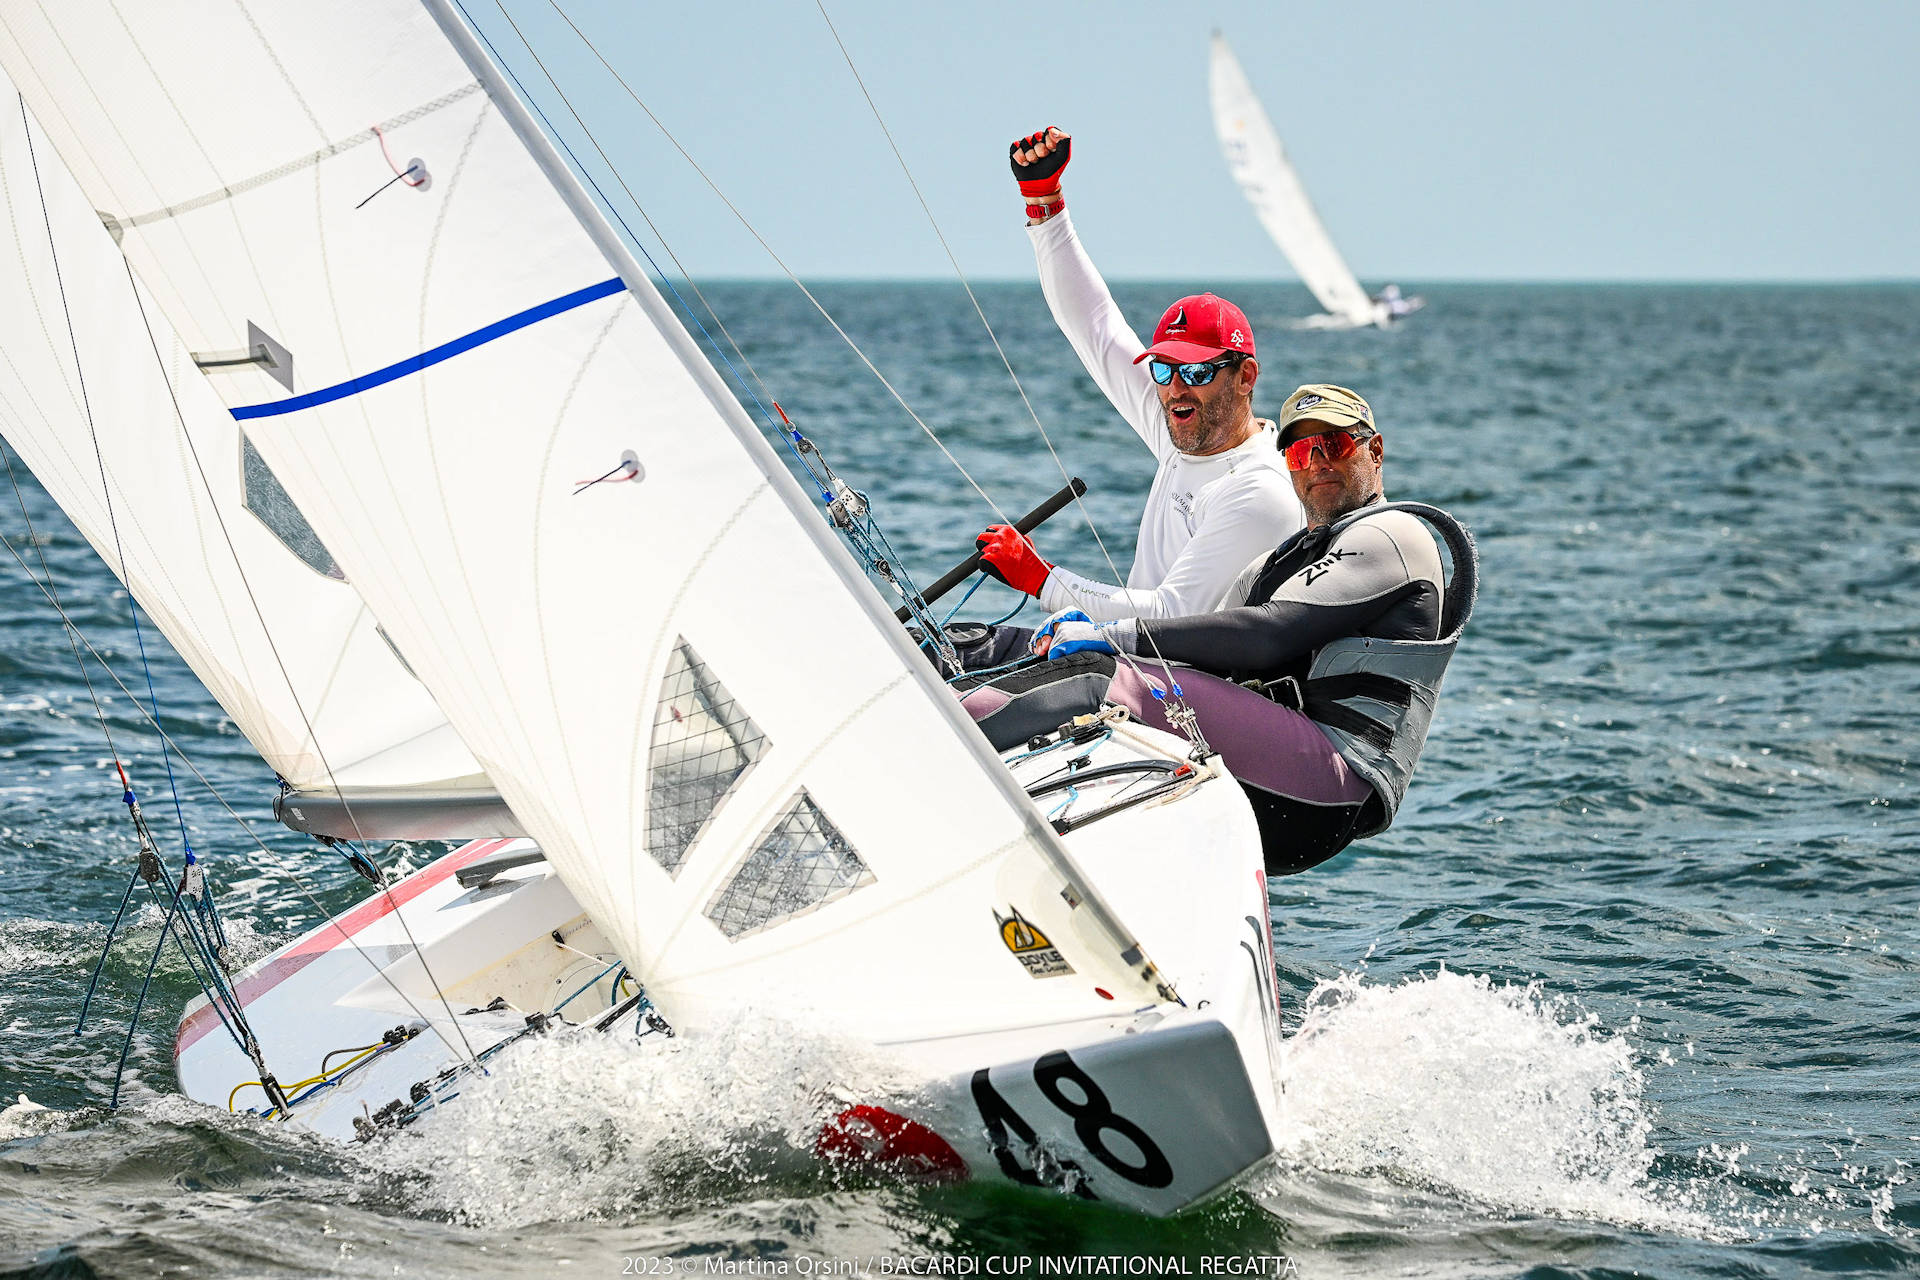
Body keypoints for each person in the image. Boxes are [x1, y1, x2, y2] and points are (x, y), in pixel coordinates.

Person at [970, 384, 1476, 873]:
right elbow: (1199, 643)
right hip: (1275, 772)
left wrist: (1113, 638)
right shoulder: (1274, 566)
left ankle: (931, 746)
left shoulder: (1395, 534)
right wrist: (1084, 628)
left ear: (1376, 451)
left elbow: (1267, 635)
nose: (1318, 461)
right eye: (1301, 452)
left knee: (1098, 680)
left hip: (1328, 787)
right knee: (1010, 649)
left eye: (1335, 444)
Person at [963, 127, 1302, 667]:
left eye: (1195, 371)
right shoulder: (1184, 428)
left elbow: (1172, 614)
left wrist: (1041, 579)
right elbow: (1094, 327)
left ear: (1245, 377)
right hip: (1139, 668)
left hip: (1203, 702)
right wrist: (1043, 201)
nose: (1173, 389)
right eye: (1164, 369)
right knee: (953, 649)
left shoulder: (1259, 490)